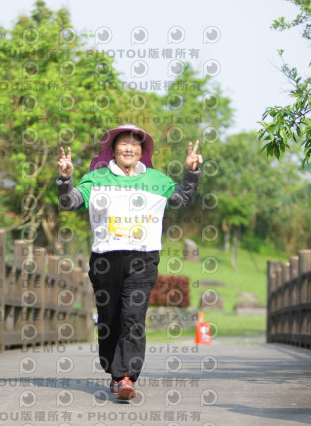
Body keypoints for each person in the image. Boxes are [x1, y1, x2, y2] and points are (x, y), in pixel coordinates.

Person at [56, 123, 202, 401]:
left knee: (133, 316)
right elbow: (69, 202)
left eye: (135, 144)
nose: (129, 148)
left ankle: (125, 377)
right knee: (110, 317)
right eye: (123, 143)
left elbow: (183, 198)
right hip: (105, 259)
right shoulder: (96, 178)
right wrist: (65, 179)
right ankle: (114, 371)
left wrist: (191, 172)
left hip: (143, 259)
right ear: (113, 149)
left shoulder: (157, 180)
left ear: (141, 151)